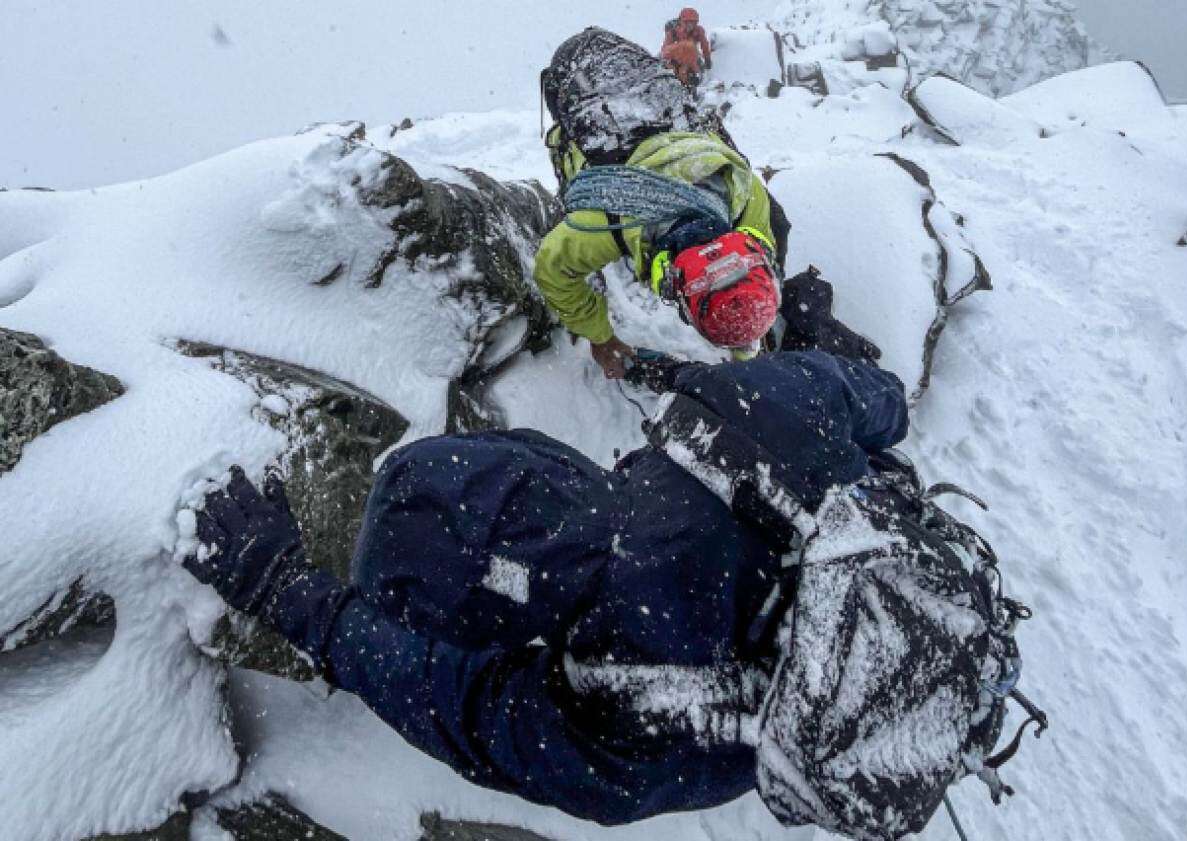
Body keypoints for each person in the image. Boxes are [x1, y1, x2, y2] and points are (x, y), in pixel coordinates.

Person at [181, 346, 1034, 835]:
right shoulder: (748, 410)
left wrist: (283, 586)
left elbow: (456, 701)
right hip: (875, 583)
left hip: (734, 691)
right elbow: (882, 402)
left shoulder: (633, 711)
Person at [536, 28, 783, 379]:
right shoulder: (609, 219)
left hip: (629, 68)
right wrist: (600, 337)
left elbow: (736, 283)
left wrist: (747, 342)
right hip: (573, 75)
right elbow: (552, 268)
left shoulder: (741, 191)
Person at [661, 8, 712, 86]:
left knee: (690, 48)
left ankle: (692, 80)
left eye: (693, 22)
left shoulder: (699, 31)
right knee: (688, 46)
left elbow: (704, 45)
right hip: (676, 59)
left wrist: (707, 59)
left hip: (692, 59)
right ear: (681, 21)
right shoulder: (673, 32)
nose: (690, 25)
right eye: (687, 22)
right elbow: (665, 50)